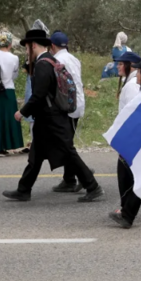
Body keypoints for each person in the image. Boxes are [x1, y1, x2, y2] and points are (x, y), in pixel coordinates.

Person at [3, 29, 104, 204]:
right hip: (49, 118)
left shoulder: (43, 64)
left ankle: (93, 186)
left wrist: (22, 112)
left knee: (68, 153)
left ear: (33, 45)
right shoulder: (50, 61)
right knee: (35, 155)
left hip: (52, 119)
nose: (26, 51)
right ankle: (23, 190)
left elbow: (39, 95)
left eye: (27, 47)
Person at [108, 52, 141, 229]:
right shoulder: (132, 83)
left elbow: (131, 114)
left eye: (122, 64)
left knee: (130, 176)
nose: (118, 66)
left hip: (131, 137)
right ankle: (126, 211)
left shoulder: (131, 86)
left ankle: (127, 213)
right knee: (130, 175)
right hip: (131, 136)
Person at [51, 31, 89, 194]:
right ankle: (69, 179)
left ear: (52, 45)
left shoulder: (57, 60)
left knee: (65, 145)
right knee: (67, 143)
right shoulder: (74, 59)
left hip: (66, 105)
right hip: (78, 103)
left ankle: (84, 175)